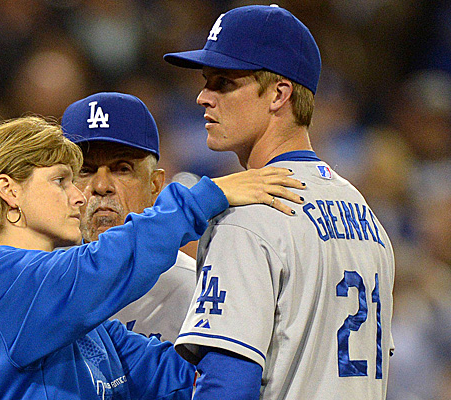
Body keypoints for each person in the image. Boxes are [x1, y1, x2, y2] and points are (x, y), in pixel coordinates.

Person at [0, 115, 305, 400]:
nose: (81, 195)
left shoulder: (87, 328)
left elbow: (182, 380)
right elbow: (104, 263)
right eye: (61, 180)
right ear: (9, 191)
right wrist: (206, 198)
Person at [163, 5, 395, 399]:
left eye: (223, 82)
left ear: (279, 94)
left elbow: (227, 384)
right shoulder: (366, 216)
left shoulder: (250, 215)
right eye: (206, 81)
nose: (203, 97)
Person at [61, 91, 195, 343]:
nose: (101, 185)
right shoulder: (42, 283)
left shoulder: (190, 289)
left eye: (122, 169)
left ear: (155, 185)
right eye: (85, 170)